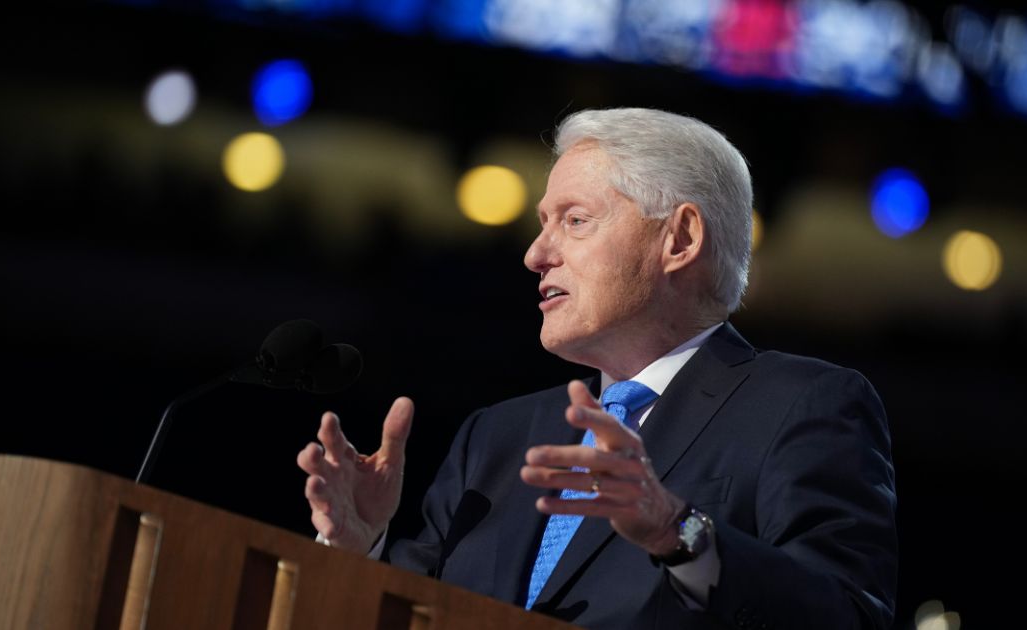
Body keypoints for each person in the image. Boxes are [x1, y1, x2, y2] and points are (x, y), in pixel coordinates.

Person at [296, 108, 897, 629]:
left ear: (680, 238)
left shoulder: (801, 405)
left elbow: (844, 616)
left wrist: (675, 530)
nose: (535, 254)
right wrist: (357, 551)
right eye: (542, 224)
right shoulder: (496, 439)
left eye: (574, 220)